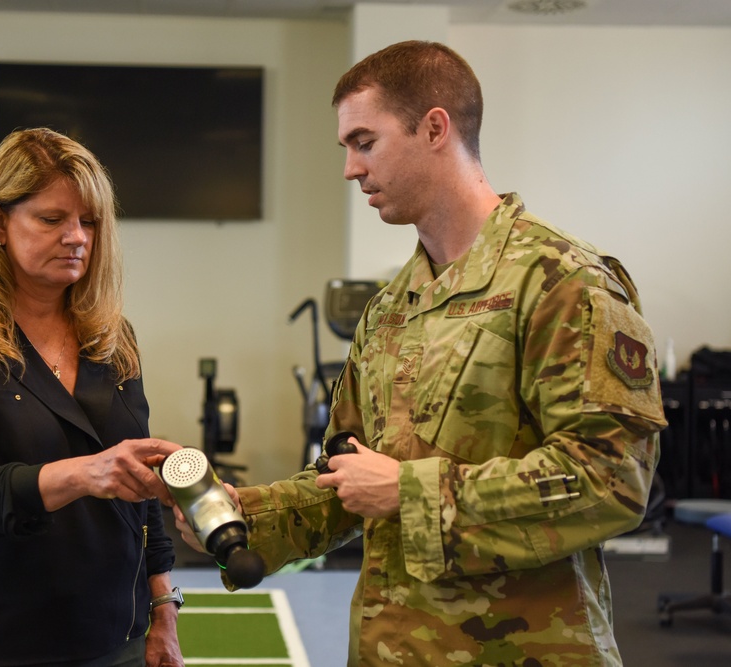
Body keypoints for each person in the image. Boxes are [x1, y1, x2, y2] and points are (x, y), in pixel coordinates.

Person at [176, 41, 665, 666]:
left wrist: (410, 490)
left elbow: (612, 480)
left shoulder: (562, 282)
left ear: (435, 127)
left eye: (364, 142)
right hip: (391, 647)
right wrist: (249, 514)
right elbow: (348, 481)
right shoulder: (389, 309)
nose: (351, 169)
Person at [0, 128, 185, 667]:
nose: (76, 236)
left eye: (89, 222)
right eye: (52, 219)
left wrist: (164, 611)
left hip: (110, 636)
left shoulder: (112, 336)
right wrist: (88, 472)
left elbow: (141, 493)